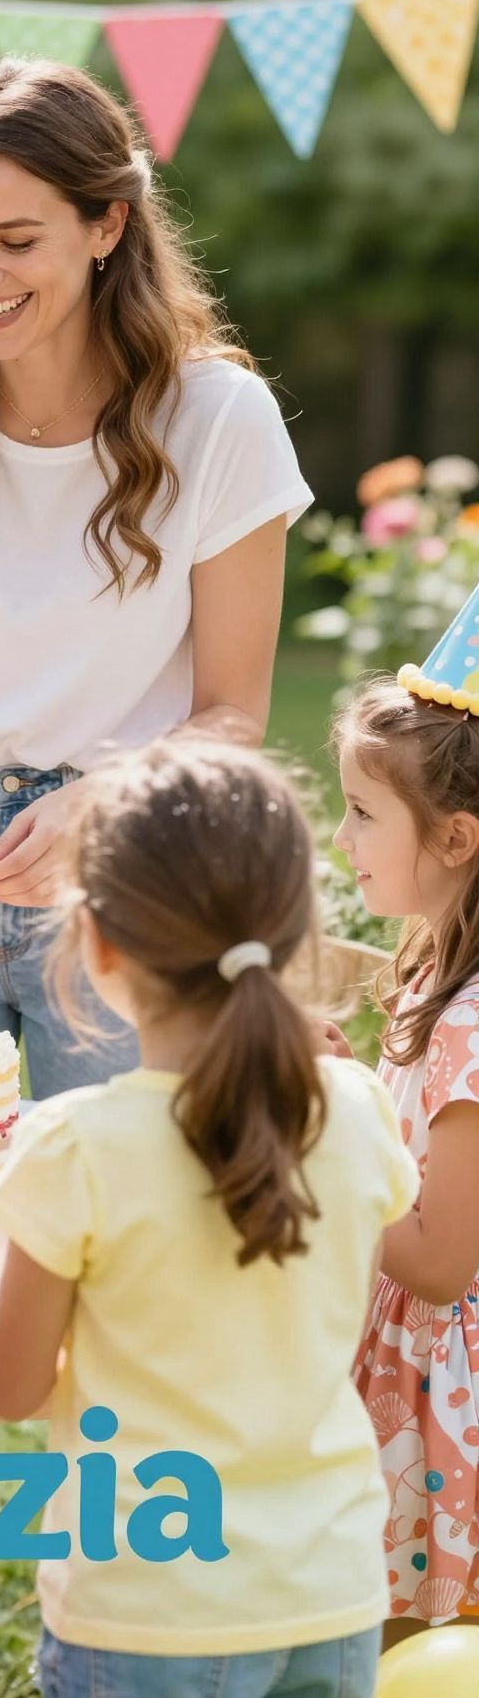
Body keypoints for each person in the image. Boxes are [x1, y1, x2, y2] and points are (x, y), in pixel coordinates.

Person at [0, 54, 313, 1668]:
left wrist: (106, 800)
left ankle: (143, 1647)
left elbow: (233, 706)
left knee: (145, 1267)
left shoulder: (215, 419)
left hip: (137, 858)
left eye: (16, 237)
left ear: (106, 223)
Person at [0, 740, 417, 1698]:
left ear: (97, 942)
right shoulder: (355, 1110)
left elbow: (11, 1383)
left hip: (149, 1603)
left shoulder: (72, 1148)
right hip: (325, 1587)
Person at [336, 663, 479, 1639]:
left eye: (360, 811)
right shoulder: (430, 963)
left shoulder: (471, 1026)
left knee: (417, 1652)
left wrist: (337, 1131)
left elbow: (437, 1260)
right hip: (403, 1375)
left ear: (457, 837)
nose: (341, 838)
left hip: (443, 1401)